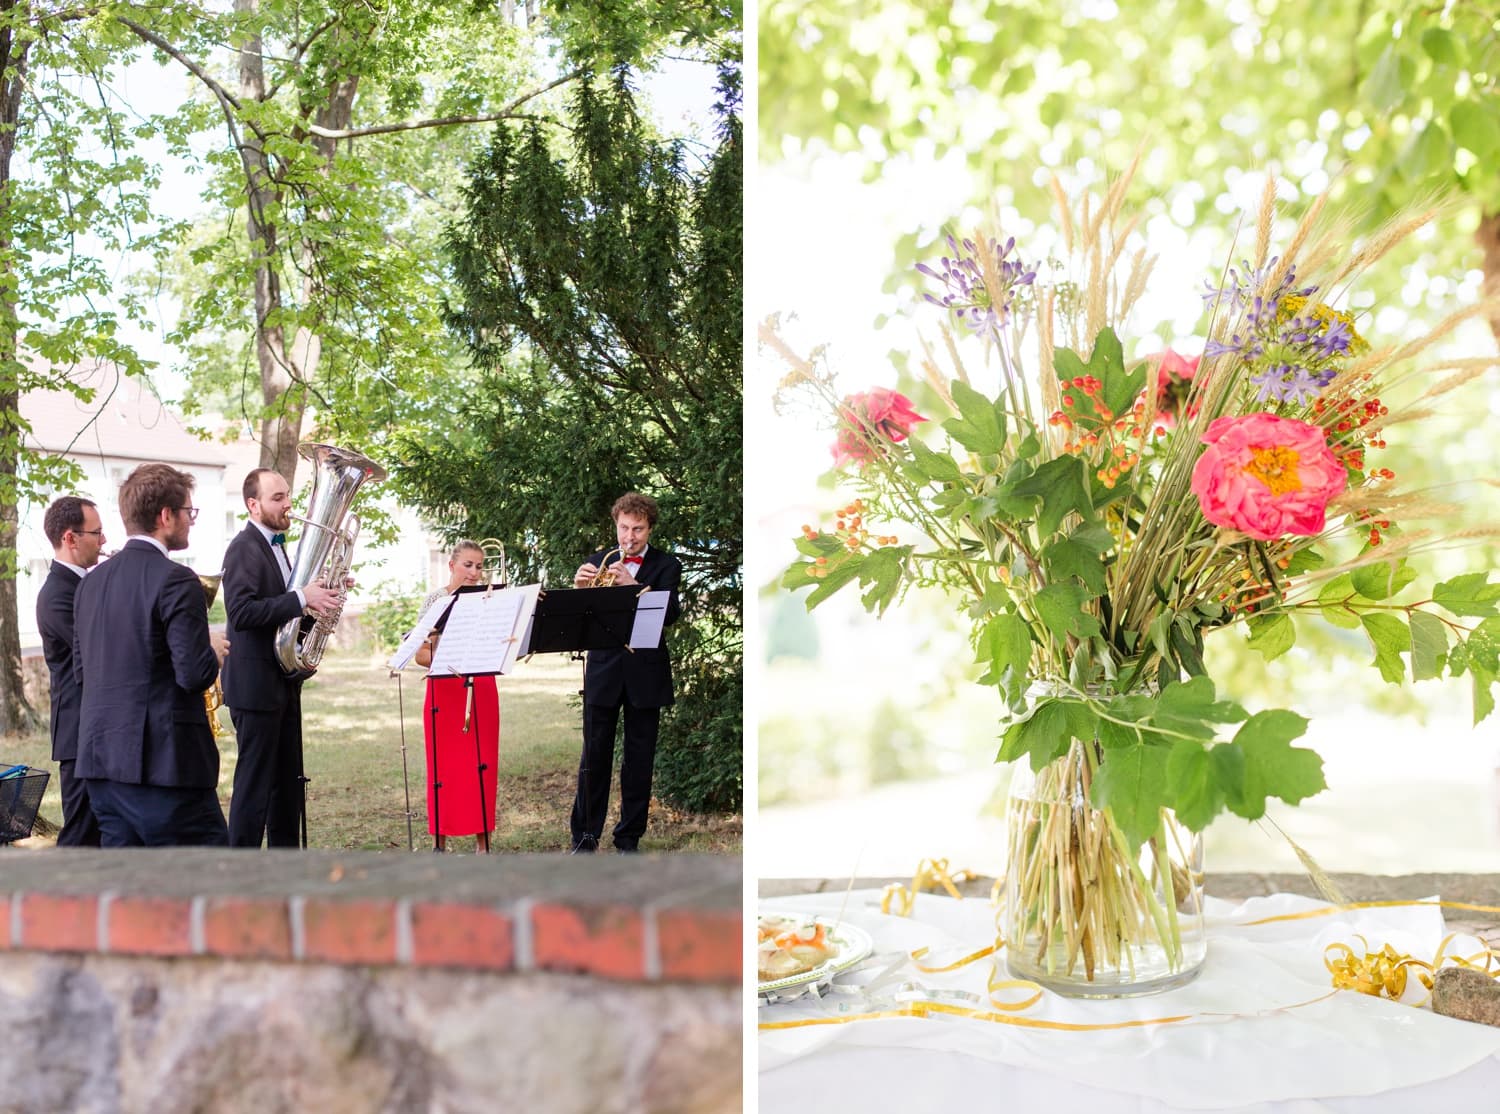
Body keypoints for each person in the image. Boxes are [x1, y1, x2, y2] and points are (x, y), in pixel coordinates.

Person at [73, 464, 231, 847]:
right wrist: (211, 649)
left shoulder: (89, 583)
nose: (191, 521)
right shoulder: (177, 580)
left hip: (102, 765)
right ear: (165, 515)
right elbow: (193, 674)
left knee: (131, 898)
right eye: (188, 512)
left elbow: (83, 672)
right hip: (166, 770)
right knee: (212, 888)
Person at [221, 467, 343, 848]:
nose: (289, 504)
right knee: (255, 789)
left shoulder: (278, 547)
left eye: (288, 495)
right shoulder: (242, 548)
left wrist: (322, 593)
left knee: (287, 787)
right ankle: (239, 870)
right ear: (252, 505)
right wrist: (303, 597)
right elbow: (241, 613)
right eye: (278, 498)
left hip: (281, 683)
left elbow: (283, 610)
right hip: (255, 688)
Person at [569, 492, 683, 853]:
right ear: (615, 524)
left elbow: (669, 616)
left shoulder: (667, 565)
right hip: (603, 670)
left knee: (639, 759)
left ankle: (628, 838)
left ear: (649, 529)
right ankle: (585, 836)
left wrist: (631, 587)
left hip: (645, 672)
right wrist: (580, 592)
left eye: (637, 529)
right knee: (594, 758)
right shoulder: (595, 562)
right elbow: (578, 622)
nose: (629, 537)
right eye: (623, 528)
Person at [414, 540, 500, 853]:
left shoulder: (491, 600)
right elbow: (420, 656)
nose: (474, 572)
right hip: (444, 689)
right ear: (451, 565)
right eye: (468, 565)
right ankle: (440, 841)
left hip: (482, 687)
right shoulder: (434, 601)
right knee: (443, 767)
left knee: (482, 763)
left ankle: (483, 843)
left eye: (479, 566)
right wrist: (446, 648)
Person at [35, 496, 106, 846]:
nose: (104, 540)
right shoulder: (56, 595)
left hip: (96, 728)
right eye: (97, 532)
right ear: (70, 538)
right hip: (79, 731)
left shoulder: (84, 585)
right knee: (80, 834)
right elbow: (98, 651)